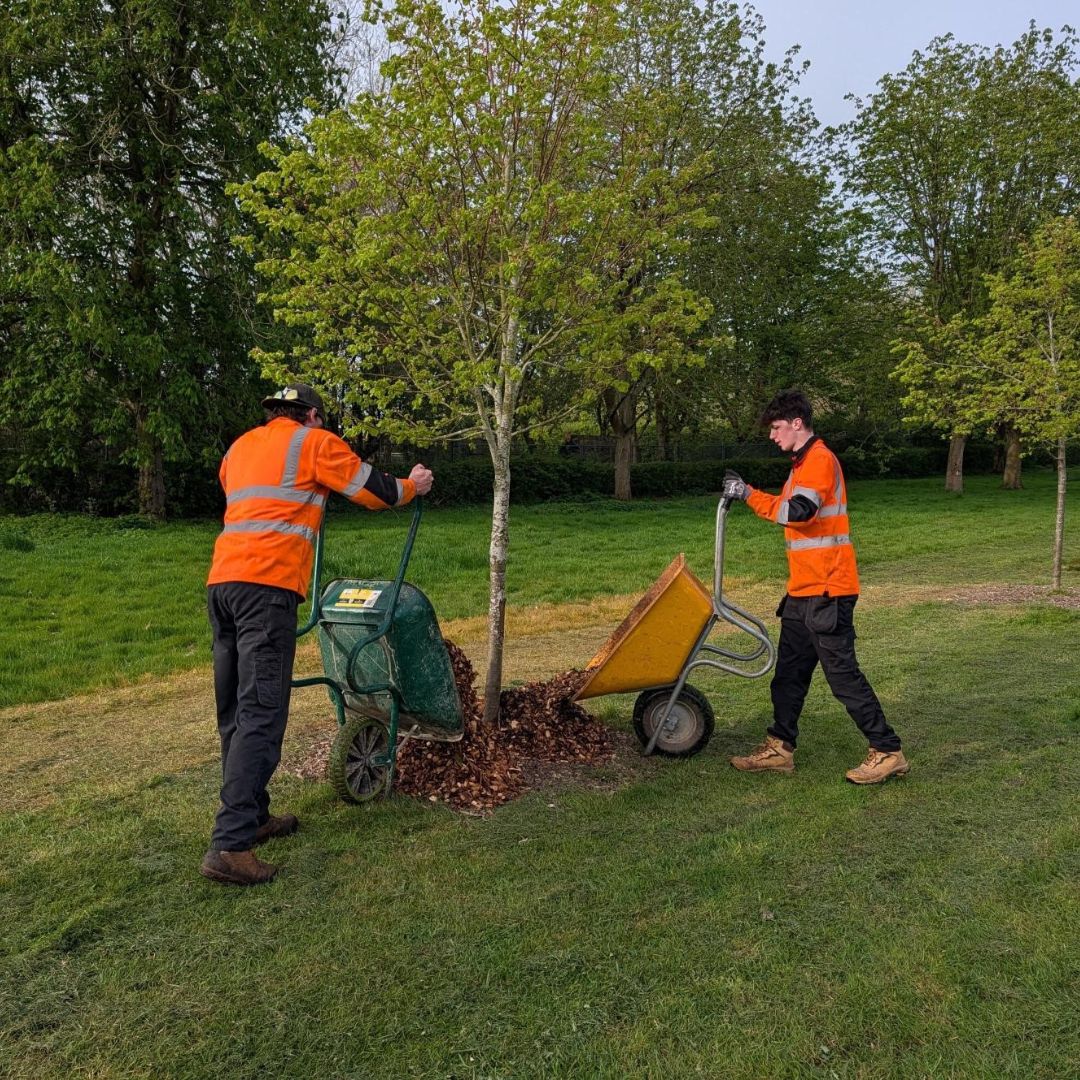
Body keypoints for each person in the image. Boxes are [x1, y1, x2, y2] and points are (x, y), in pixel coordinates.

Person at [200, 383, 434, 885]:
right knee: (262, 712)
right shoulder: (313, 442)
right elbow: (378, 491)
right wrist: (413, 483)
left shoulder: (241, 447)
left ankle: (253, 816)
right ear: (311, 414)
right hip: (267, 591)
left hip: (223, 585)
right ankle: (230, 844)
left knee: (237, 712)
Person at [722, 390, 909, 784]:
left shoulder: (820, 461)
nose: (772, 436)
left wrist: (749, 495)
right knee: (789, 676)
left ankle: (887, 750)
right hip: (802, 592)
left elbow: (799, 513)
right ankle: (779, 748)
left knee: (843, 677)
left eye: (775, 428)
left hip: (829, 591)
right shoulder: (801, 465)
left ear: (796, 423)